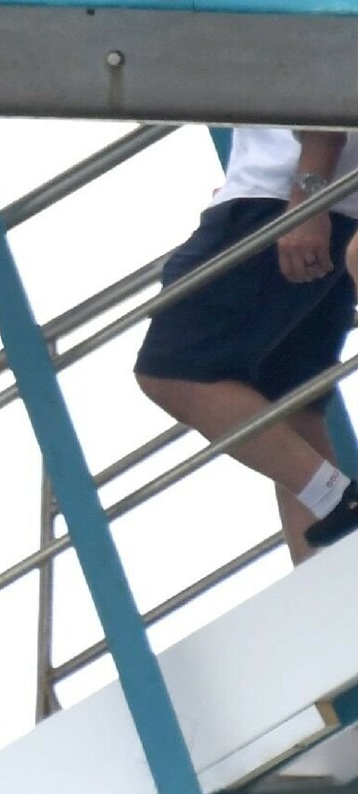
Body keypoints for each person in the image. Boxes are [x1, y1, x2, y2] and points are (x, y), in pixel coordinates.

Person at [136, 129, 358, 560]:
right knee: (288, 404)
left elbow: (314, 96)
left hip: (282, 199)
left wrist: (307, 199)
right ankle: (332, 578)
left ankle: (337, 500)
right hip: (322, 201)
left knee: (171, 369)